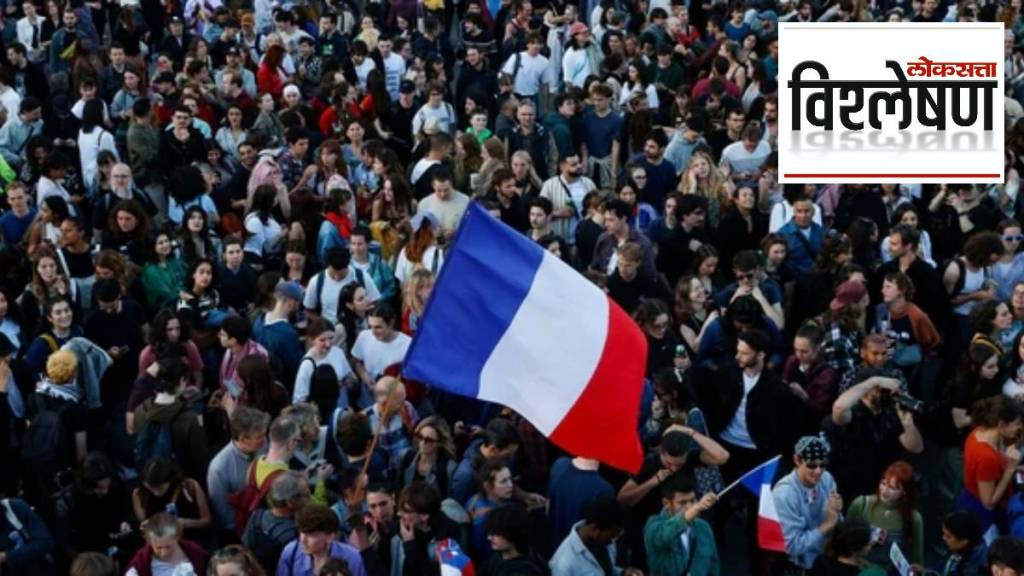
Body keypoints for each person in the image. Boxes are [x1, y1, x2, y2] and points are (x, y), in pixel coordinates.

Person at [773, 435, 842, 572]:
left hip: (827, 555)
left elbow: (836, 519)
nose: (818, 471)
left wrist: (837, 510)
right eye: (811, 465)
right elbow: (792, 546)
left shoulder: (826, 479)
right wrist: (827, 524)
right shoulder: (785, 494)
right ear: (797, 460)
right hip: (800, 564)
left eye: (822, 465)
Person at [845, 461, 923, 566]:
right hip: (858, 568)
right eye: (883, 483)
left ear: (904, 492)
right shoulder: (861, 504)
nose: (885, 491)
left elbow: (917, 560)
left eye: (892, 488)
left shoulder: (914, 518)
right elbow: (842, 542)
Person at [643, 473, 719, 576]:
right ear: (666, 503)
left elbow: (713, 567)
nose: (689, 507)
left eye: (692, 500)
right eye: (682, 503)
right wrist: (696, 508)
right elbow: (663, 536)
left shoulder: (703, 527)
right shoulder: (654, 525)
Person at [549, 495, 641, 576]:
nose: (613, 541)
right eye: (612, 536)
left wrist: (622, 572)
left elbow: (605, 569)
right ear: (594, 529)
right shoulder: (563, 565)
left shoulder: (603, 541)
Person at [125, 512, 208, 576]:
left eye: (168, 547)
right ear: (149, 541)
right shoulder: (141, 562)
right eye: (158, 548)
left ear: (177, 537)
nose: (164, 552)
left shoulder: (195, 552)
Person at [809, 520, 888, 576]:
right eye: (868, 543)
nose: (871, 544)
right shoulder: (869, 573)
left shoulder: (820, 560)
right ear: (855, 549)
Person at [940, 510, 987, 576]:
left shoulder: (974, 569)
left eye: (948, 536)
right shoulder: (963, 549)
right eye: (944, 534)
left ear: (964, 541)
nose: (943, 538)